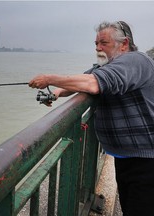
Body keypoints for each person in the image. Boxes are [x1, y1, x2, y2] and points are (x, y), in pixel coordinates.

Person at [29, 21, 154, 216]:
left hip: (146, 159)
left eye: (103, 42)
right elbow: (80, 81)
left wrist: (49, 78)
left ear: (124, 43)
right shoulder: (106, 66)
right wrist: (55, 93)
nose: (97, 47)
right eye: (96, 43)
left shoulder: (135, 61)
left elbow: (94, 84)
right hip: (126, 156)